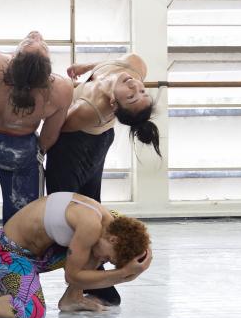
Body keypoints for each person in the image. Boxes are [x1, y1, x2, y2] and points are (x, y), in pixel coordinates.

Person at [0, 31, 73, 294]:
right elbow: (50, 136)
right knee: (18, 220)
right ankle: (5, 286)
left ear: (14, 58)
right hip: (19, 147)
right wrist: (33, 150)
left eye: (38, 42)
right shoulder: (59, 89)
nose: (37, 36)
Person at [44, 52, 160, 305]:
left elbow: (55, 129)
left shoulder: (89, 109)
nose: (135, 86)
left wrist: (36, 151)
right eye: (142, 91)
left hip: (76, 146)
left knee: (69, 217)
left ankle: (88, 286)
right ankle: (94, 286)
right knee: (88, 212)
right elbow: (112, 65)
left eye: (132, 96)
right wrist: (85, 67)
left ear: (113, 103)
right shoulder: (134, 66)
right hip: (96, 139)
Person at [0, 192, 152, 318]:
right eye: (110, 256)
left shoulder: (112, 220)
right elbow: (73, 277)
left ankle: (71, 300)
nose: (106, 259)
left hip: (37, 255)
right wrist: (123, 275)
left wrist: (141, 255)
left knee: (95, 251)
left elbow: (136, 237)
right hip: (5, 254)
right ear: (114, 239)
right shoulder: (91, 225)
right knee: (32, 314)